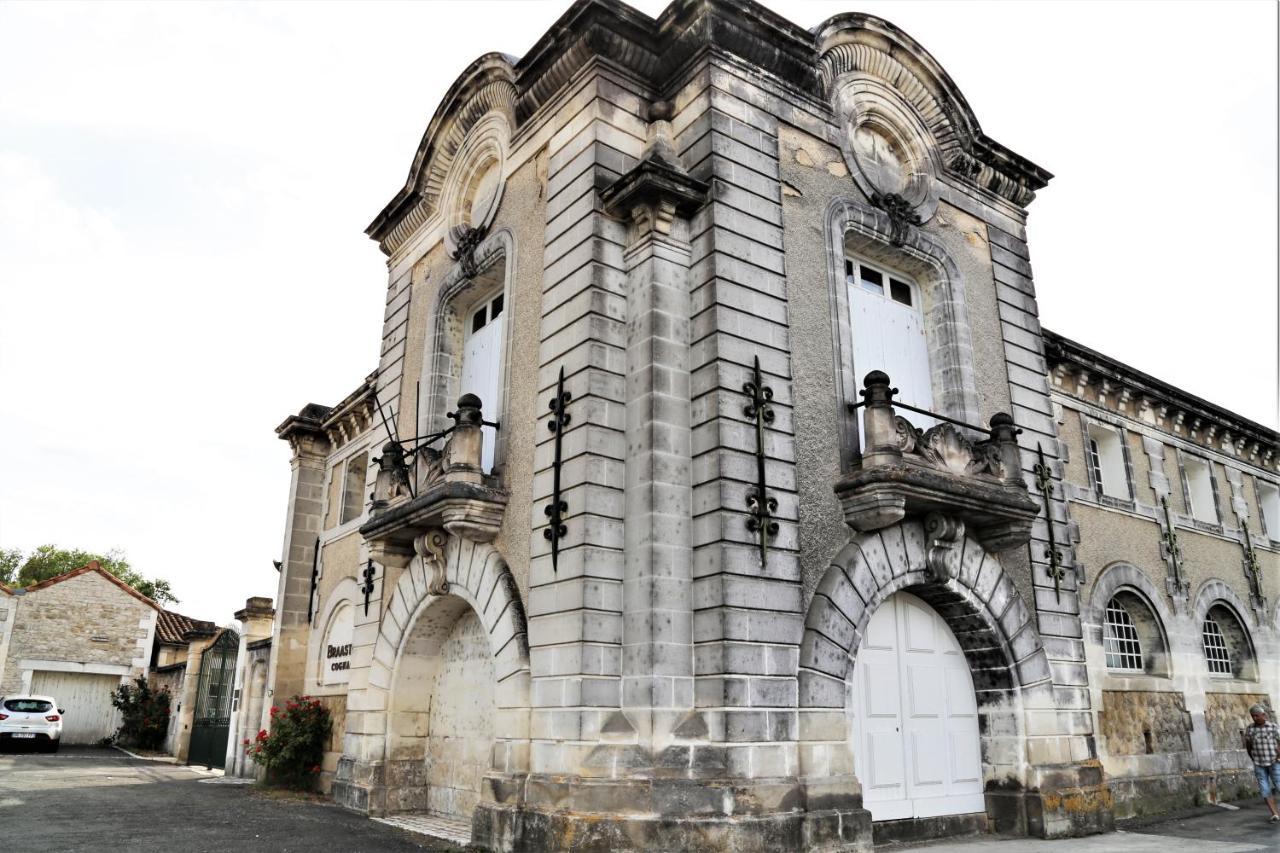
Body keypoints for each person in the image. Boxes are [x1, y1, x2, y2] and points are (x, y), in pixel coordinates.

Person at [1242, 703, 1280, 823]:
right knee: (1265, 790)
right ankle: (1275, 814)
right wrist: (1252, 758)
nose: (1255, 718)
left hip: (1274, 762)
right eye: (1253, 716)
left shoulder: (1273, 727)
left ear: (1264, 715)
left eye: (1257, 716)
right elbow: (1248, 745)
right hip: (1259, 764)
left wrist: (1279, 756)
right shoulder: (1250, 729)